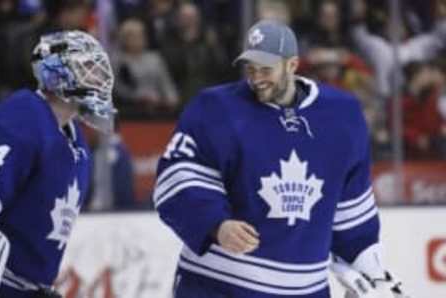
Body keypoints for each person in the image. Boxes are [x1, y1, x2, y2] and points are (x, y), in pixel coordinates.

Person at [153, 20, 411, 298]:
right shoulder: (216, 108)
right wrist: (217, 225)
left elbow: (351, 207)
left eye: (266, 69)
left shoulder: (342, 117)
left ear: (292, 64)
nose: (256, 78)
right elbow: (178, 174)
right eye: (250, 68)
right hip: (217, 284)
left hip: (304, 291)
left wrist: (367, 271)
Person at [0, 30, 116, 298]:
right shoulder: (23, 115)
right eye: (87, 68)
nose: (99, 78)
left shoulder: (76, 141)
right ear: (58, 72)